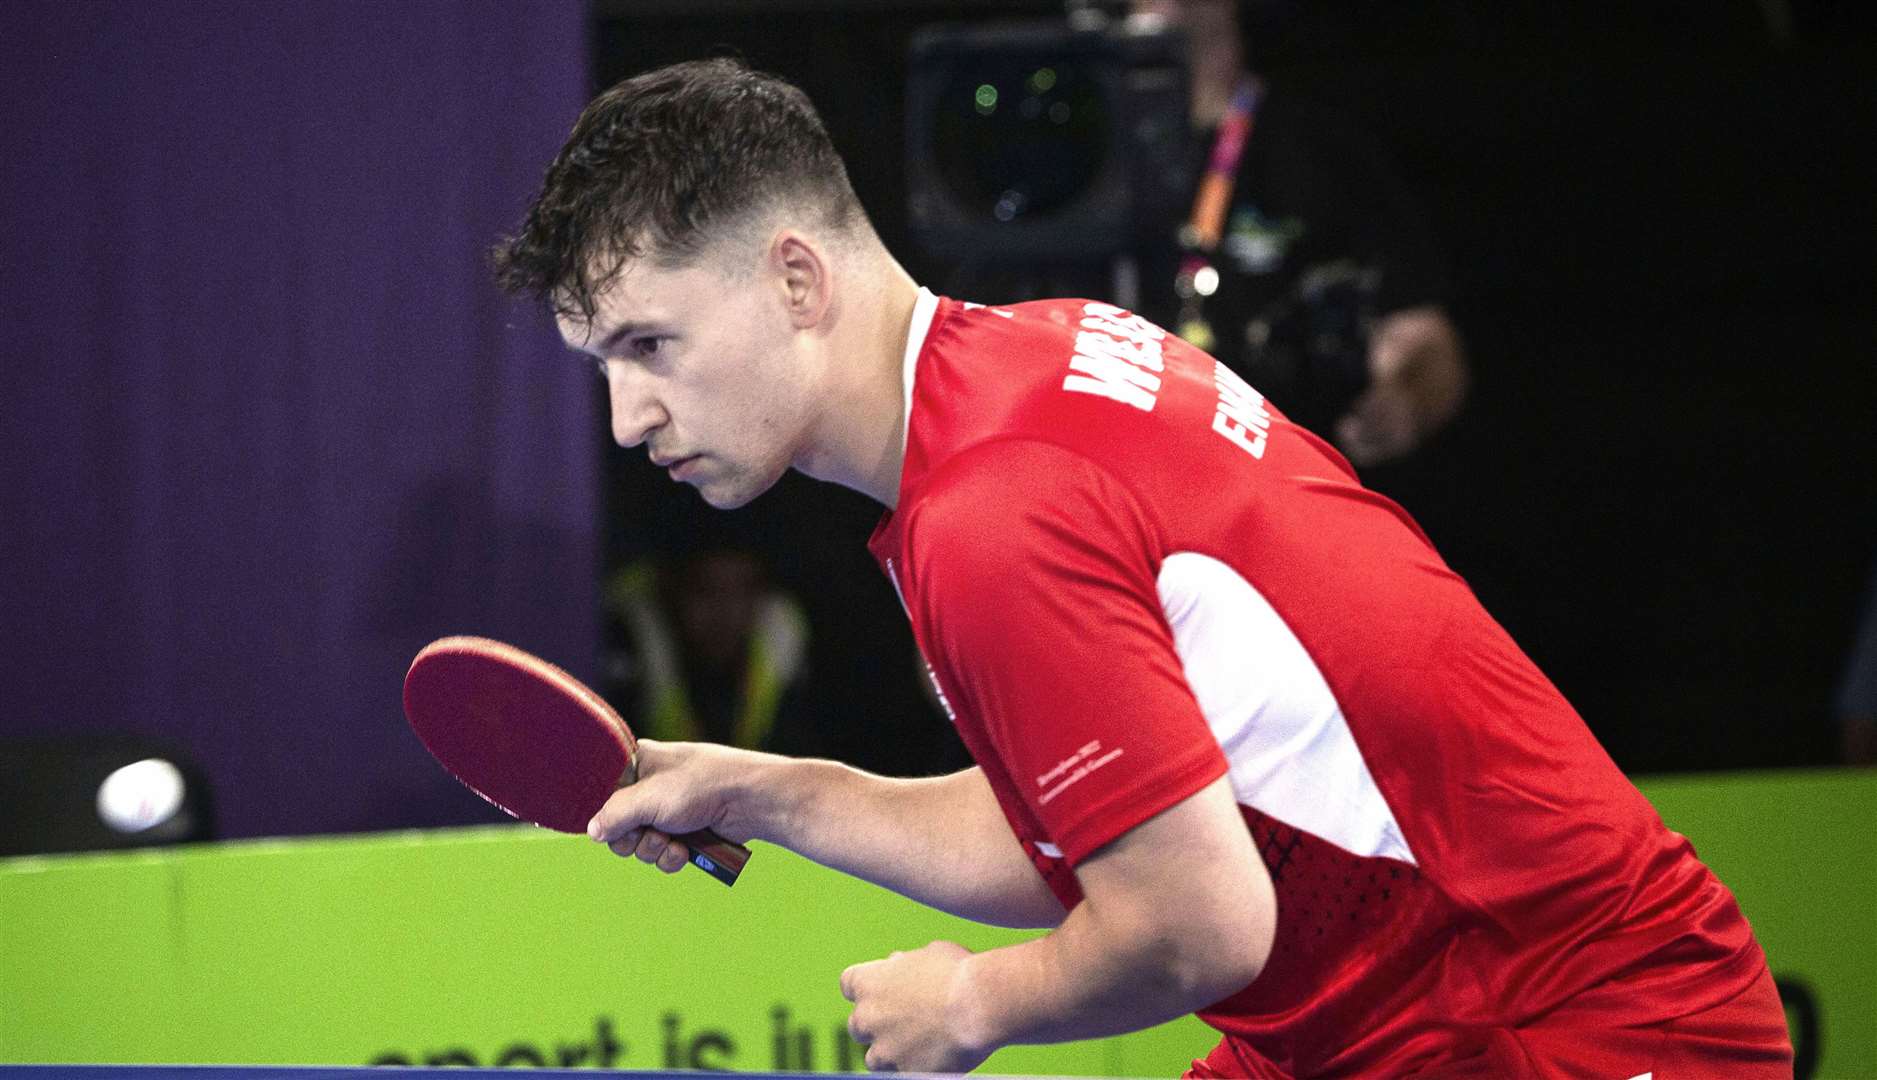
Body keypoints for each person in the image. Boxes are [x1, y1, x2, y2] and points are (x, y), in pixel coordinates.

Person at [492, 58, 1792, 1077]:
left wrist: (971, 1001)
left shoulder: (991, 515)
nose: (626, 418)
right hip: (1388, 1019)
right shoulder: (1034, 360)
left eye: (648, 346)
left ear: (791, 279)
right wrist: (767, 791)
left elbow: (1192, 923)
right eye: (602, 365)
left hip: (1557, 1025)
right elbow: (1106, 822)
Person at [1136, 0, 1468, 465]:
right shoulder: (1084, 152)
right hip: (1124, 476)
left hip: (1280, 475)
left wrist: (1404, 407)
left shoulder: (1322, 150)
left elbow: (1424, 338)